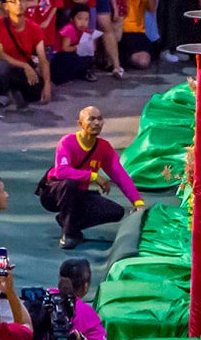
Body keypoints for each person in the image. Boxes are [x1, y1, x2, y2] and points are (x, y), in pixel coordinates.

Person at [40, 105, 145, 249]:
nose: (97, 123)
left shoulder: (104, 147)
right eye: (92, 119)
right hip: (54, 193)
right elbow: (61, 172)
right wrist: (93, 176)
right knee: (69, 184)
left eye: (100, 119)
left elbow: (120, 175)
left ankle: (67, 220)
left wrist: (137, 201)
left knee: (116, 212)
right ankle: (69, 234)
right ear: (80, 123)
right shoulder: (67, 142)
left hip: (79, 193)